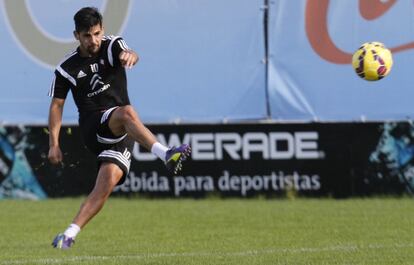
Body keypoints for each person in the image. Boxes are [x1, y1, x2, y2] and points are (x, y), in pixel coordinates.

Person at [48, 7, 191, 249]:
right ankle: (166, 154)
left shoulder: (111, 45)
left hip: (121, 133)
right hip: (94, 128)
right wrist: (54, 143)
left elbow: (128, 52)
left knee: (105, 186)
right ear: (76, 35)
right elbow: (56, 106)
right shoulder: (67, 68)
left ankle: (69, 234)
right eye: (86, 35)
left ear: (102, 30)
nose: (93, 40)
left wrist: (131, 56)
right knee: (127, 112)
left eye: (96, 33)